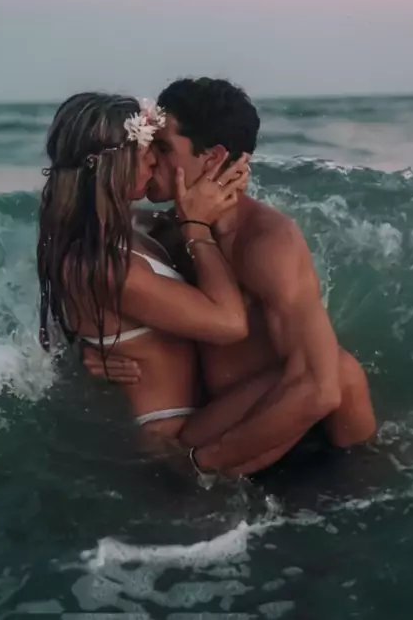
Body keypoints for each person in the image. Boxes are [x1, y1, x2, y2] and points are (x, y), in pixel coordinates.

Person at [84, 78, 377, 478]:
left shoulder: (267, 243)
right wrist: (97, 346)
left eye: (164, 148)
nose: (149, 157)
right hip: (224, 427)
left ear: (213, 157)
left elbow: (320, 389)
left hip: (303, 446)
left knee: (340, 369)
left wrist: (203, 463)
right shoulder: (168, 231)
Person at [37, 91, 251, 443]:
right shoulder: (104, 265)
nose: (154, 158)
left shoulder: (125, 226)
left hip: (198, 424)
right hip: (171, 446)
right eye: (144, 147)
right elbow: (230, 324)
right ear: (110, 163)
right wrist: (197, 228)